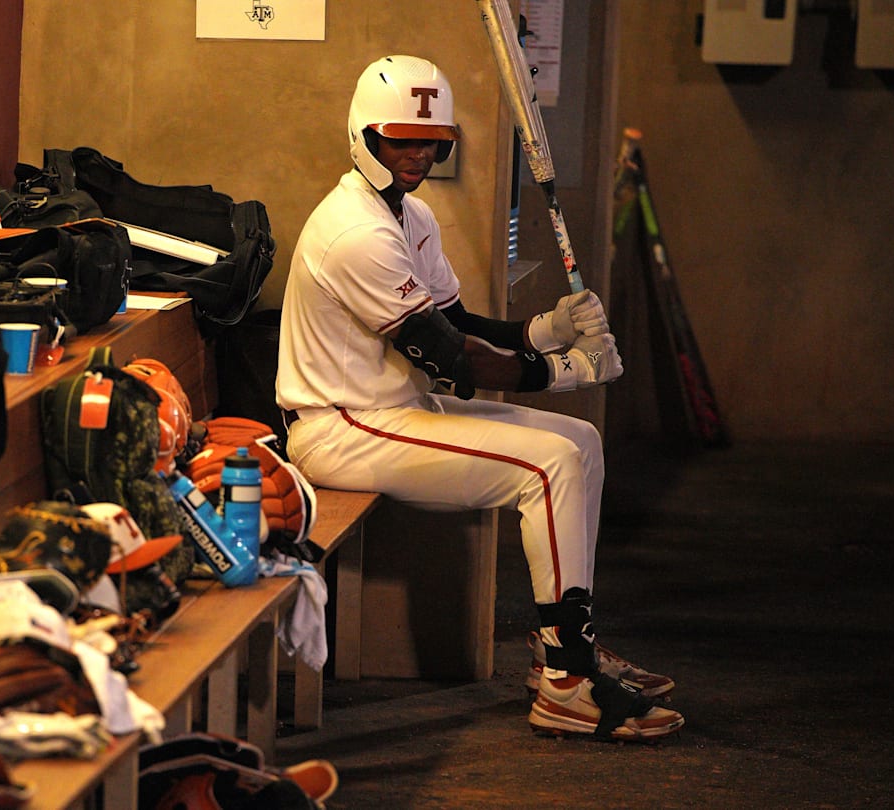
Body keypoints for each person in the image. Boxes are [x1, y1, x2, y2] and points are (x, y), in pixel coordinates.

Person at [275, 54, 684, 741]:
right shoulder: (355, 231)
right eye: (400, 138)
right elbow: (445, 357)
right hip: (340, 427)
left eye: (429, 140)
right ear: (366, 136)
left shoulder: (412, 217)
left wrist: (542, 328)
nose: (418, 153)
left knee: (579, 443)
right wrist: (565, 370)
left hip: (392, 412)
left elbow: (459, 325)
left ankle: (566, 648)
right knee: (547, 463)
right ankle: (567, 684)